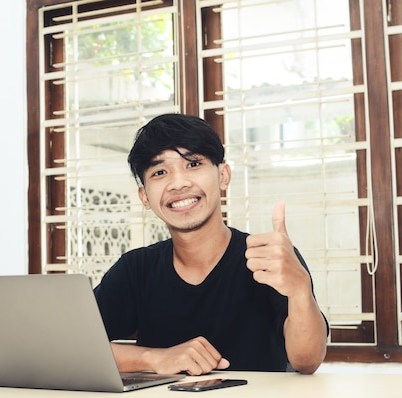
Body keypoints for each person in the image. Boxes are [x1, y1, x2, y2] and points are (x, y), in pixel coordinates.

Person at [93, 113, 328, 375]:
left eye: (193, 164)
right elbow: (76, 348)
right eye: (160, 172)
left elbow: (307, 361)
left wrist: (299, 291)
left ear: (223, 175)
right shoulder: (136, 269)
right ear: (144, 197)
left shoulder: (268, 258)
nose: (179, 183)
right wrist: (155, 358)